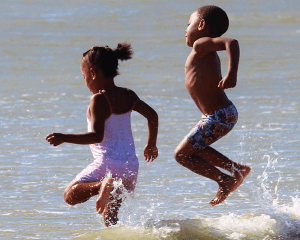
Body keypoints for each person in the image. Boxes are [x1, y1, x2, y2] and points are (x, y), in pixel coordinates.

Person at [46, 43, 158, 227]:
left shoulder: (98, 99)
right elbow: (152, 116)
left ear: (93, 73)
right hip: (130, 165)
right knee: (111, 218)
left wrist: (64, 137)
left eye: (84, 77)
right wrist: (151, 144)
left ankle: (103, 185)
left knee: (70, 195)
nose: (85, 81)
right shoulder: (128, 94)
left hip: (108, 164)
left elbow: (97, 136)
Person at [174, 5, 251, 206]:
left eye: (188, 24)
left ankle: (227, 178)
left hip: (218, 115)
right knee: (194, 148)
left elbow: (231, 42)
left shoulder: (200, 44)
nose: (185, 30)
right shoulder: (203, 48)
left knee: (181, 155)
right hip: (220, 114)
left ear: (201, 25)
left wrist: (232, 73)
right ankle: (236, 171)